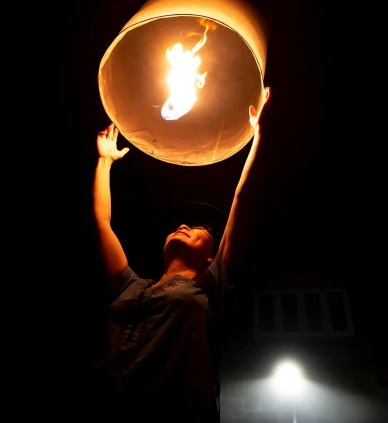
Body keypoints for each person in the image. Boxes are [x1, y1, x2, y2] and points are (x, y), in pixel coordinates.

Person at [90, 87, 272, 422]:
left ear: (210, 257)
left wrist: (261, 134)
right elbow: (102, 222)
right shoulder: (131, 287)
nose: (185, 224)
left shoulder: (211, 287)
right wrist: (105, 160)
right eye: (182, 224)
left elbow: (242, 199)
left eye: (201, 231)